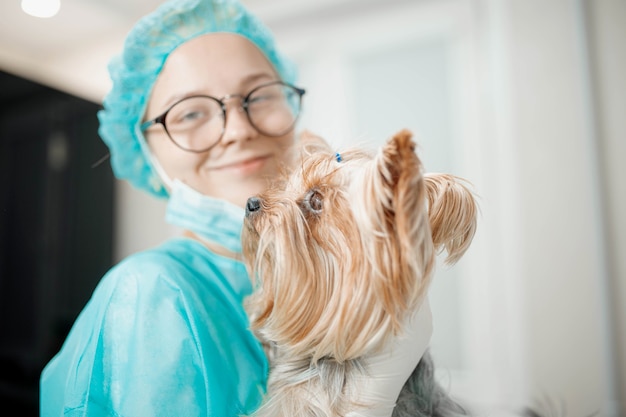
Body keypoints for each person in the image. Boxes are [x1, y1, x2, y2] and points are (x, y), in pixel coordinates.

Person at [40, 0, 442, 416]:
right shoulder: (153, 292)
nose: (238, 130)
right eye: (191, 112)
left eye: (260, 96)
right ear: (145, 150)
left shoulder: (341, 265)